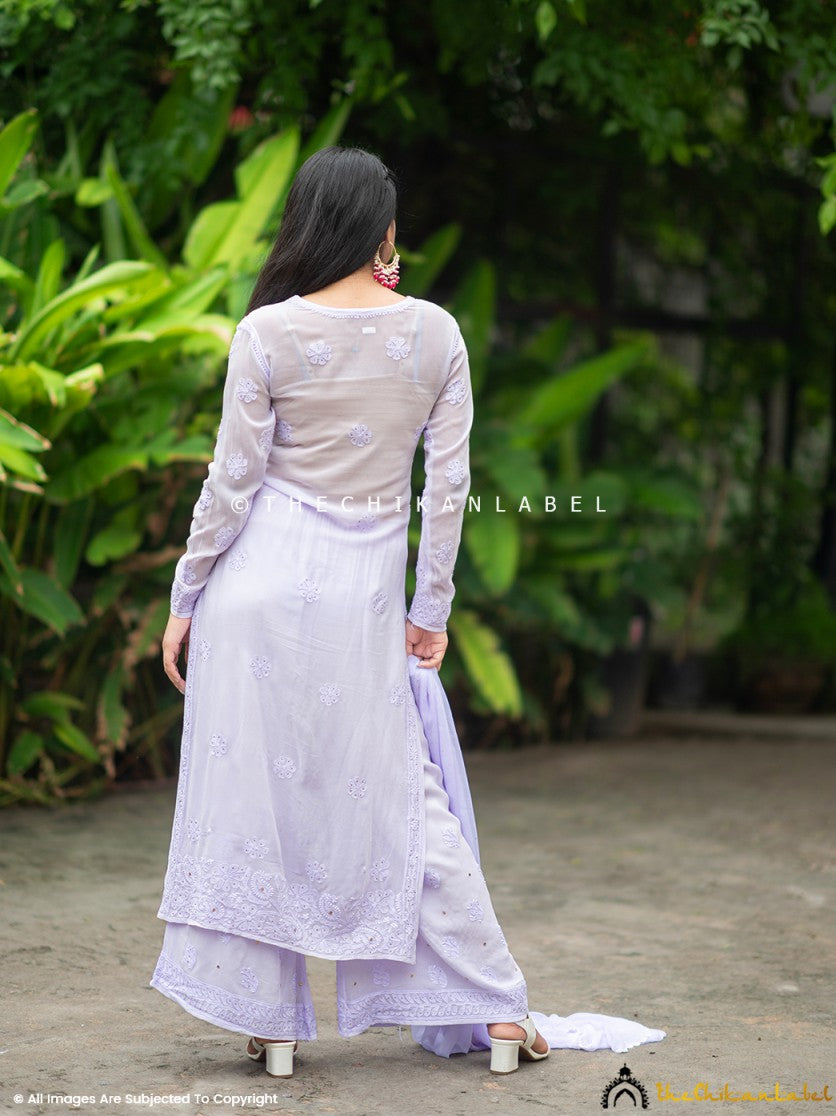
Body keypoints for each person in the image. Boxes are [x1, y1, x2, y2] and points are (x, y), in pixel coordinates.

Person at [153, 145, 550, 1078]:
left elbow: (232, 482)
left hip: (255, 593)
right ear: (382, 233)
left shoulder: (266, 333)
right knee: (404, 805)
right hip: (364, 599)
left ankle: (276, 1024)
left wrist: (185, 593)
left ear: (304, 225)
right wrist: (432, 608)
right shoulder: (438, 335)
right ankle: (495, 1008)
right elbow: (447, 489)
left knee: (260, 803)